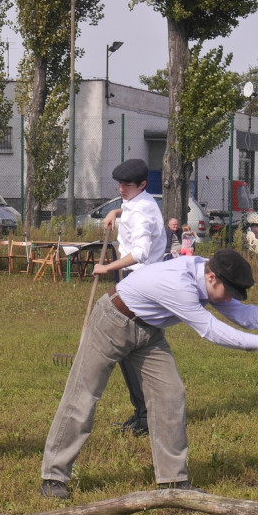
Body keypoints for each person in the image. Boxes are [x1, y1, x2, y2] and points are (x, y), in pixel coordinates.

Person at [39, 249, 258, 500]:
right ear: (212, 278)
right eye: (228, 292)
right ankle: (54, 476)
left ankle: (172, 481)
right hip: (112, 320)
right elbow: (212, 331)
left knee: (171, 395)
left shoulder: (209, 275)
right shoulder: (180, 286)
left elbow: (237, 311)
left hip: (149, 332)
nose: (229, 299)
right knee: (82, 396)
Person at [98, 159, 167, 438]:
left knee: (132, 347)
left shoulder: (144, 212)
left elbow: (139, 252)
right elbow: (128, 208)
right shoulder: (136, 202)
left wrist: (106, 267)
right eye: (119, 184)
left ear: (141, 184)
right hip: (132, 280)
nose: (121, 188)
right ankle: (144, 413)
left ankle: (147, 416)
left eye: (127, 185)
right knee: (130, 347)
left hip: (141, 283)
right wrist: (115, 212)